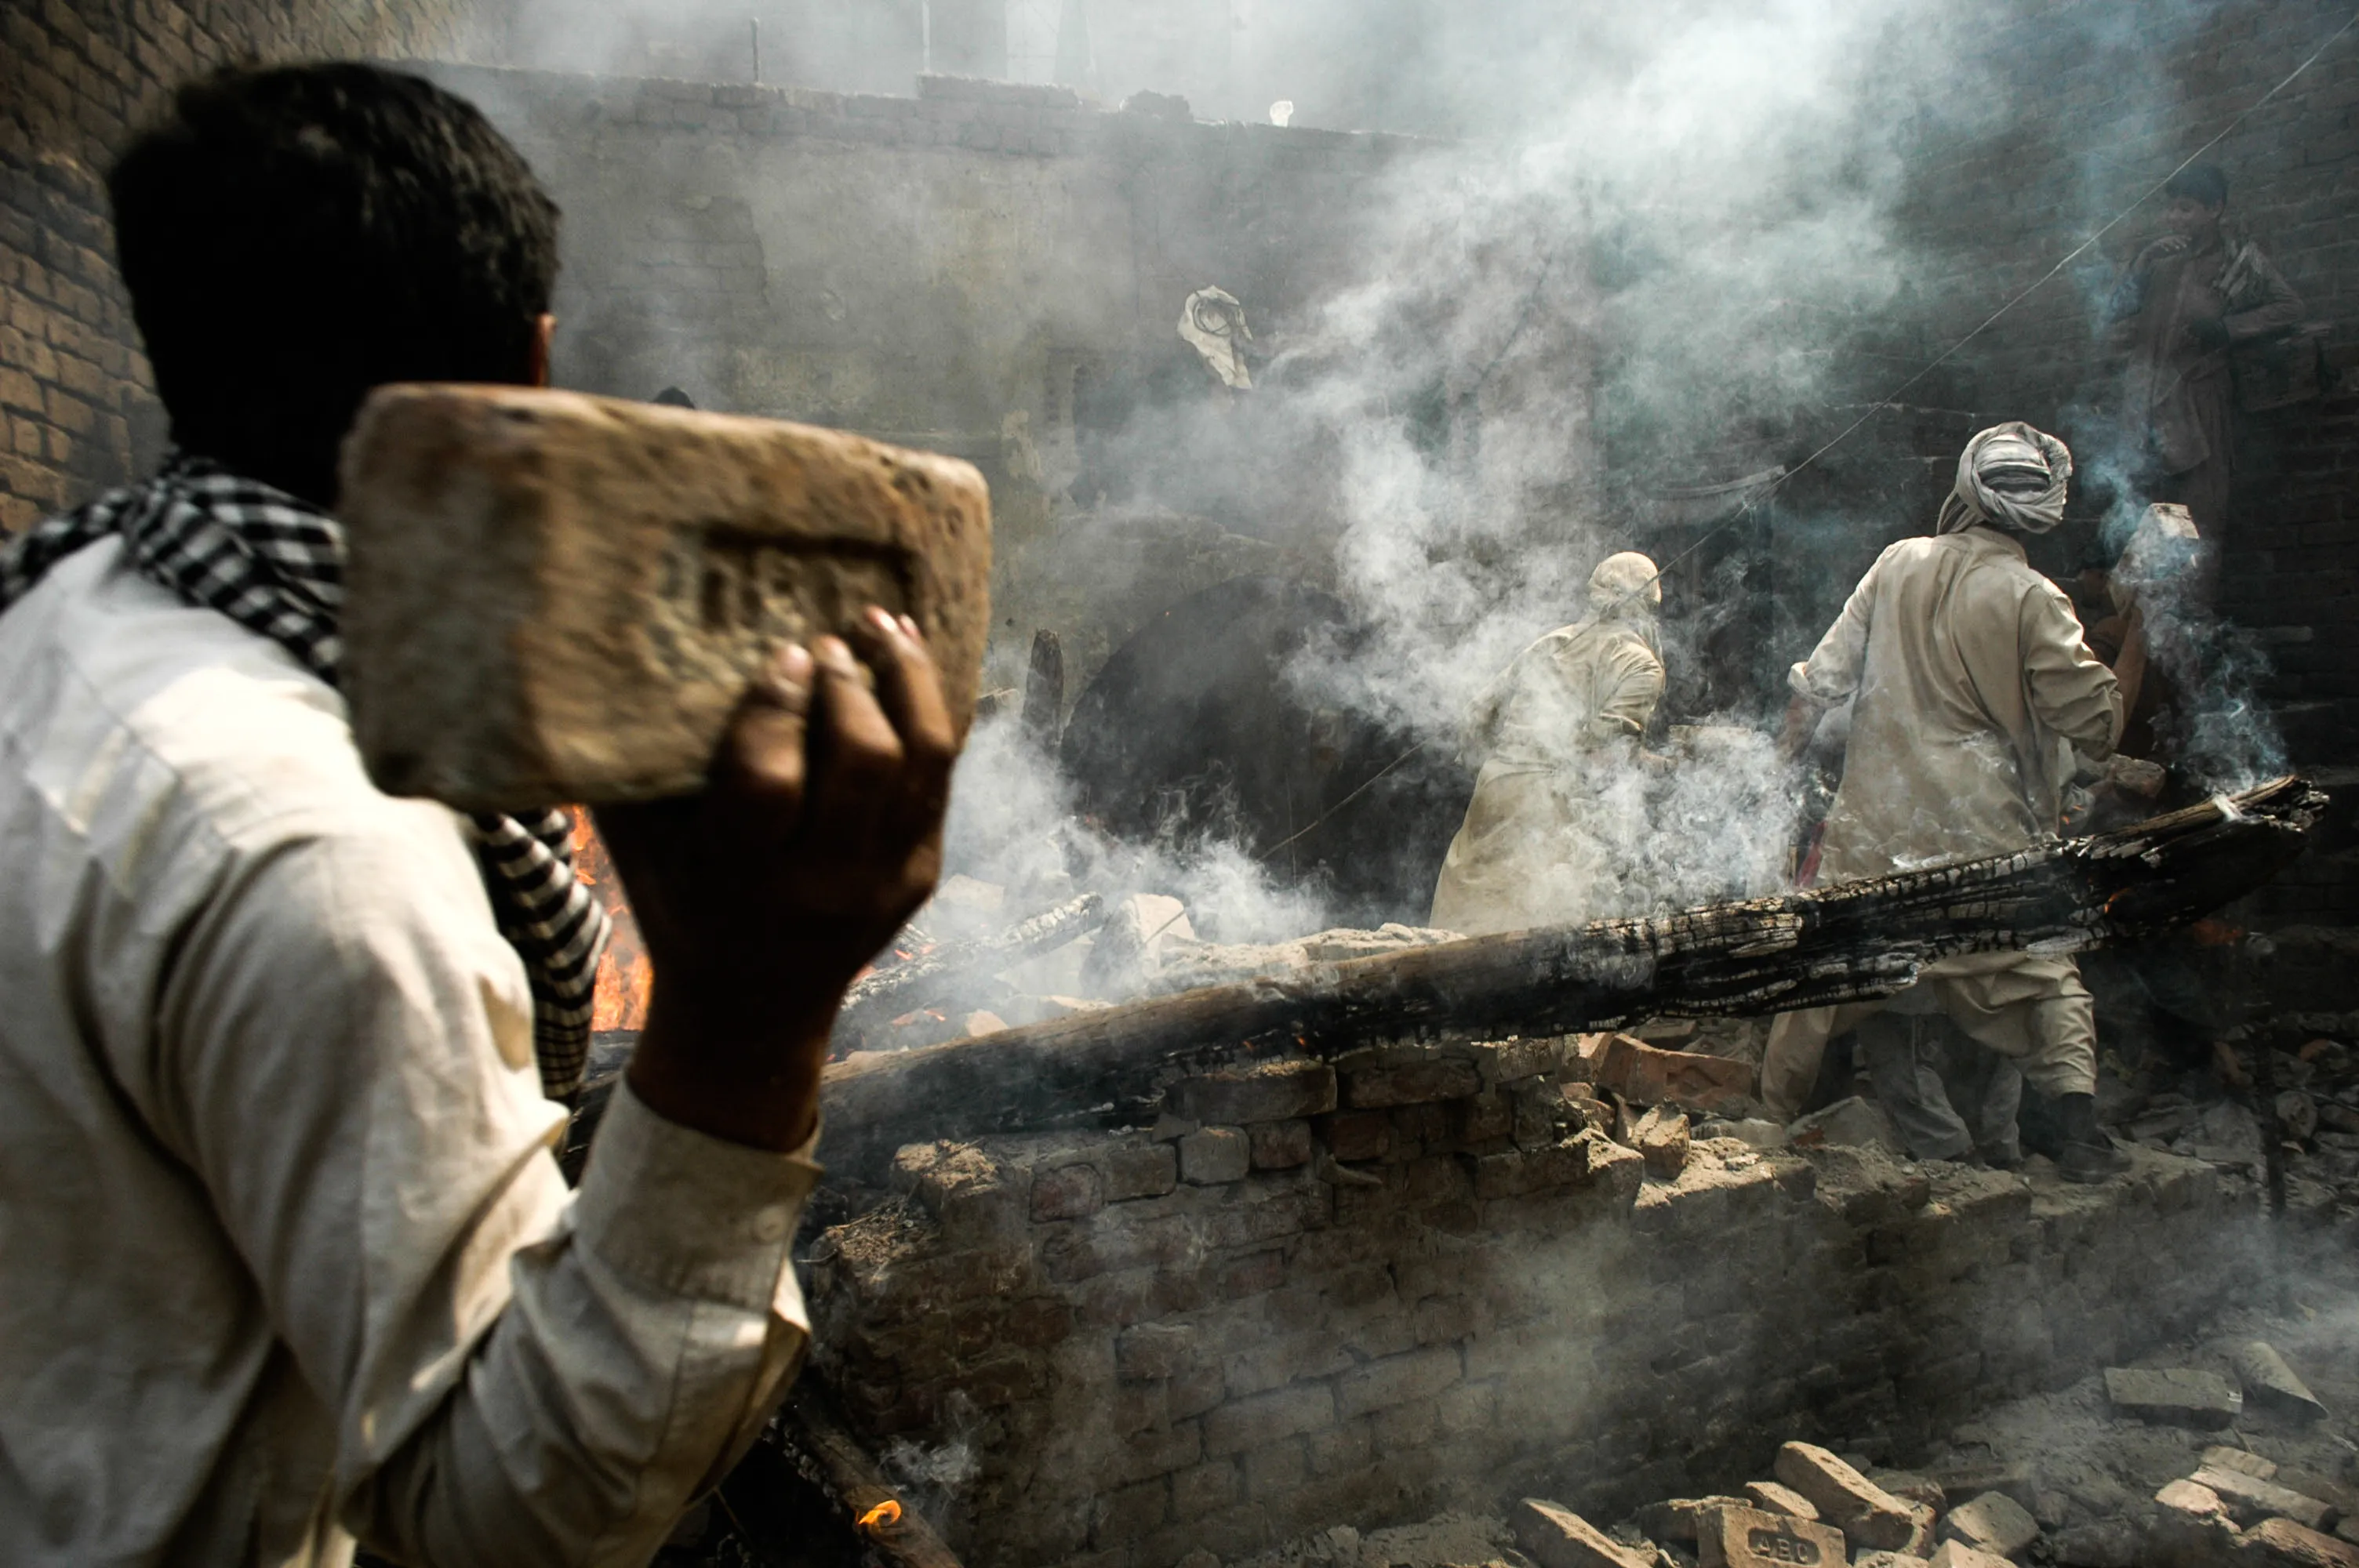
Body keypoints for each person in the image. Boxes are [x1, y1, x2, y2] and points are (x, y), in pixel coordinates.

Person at [0, 63, 958, 1566]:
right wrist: (749, 1017)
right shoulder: (329, 856)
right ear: (529, 370)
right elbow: (513, 1513)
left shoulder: (65, 624)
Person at [1759, 424, 2129, 1183]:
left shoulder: (1897, 562)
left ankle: (1764, 1122)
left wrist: (1768, 779)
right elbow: (2095, 724)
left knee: (1822, 976)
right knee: (2041, 971)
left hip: (1874, 826)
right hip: (1981, 833)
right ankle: (2080, 1136)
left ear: (1964, 488)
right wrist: (2143, 632)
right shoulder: (2032, 596)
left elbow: (1816, 685)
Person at [1429, 551, 1666, 935]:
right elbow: (1605, 758)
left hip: (1497, 786)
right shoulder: (1639, 663)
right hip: (1551, 804)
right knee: (1534, 939)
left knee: (1465, 923)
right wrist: (1669, 765)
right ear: (1648, 605)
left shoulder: (1551, 642)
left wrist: (1499, 764)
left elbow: (1475, 717)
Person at [2107, 163, 2303, 554]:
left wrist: (2228, 329)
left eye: (2186, 209)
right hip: (2144, 404)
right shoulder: (2158, 261)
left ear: (2215, 209)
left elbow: (2289, 308)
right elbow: (2113, 309)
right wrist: (2143, 262)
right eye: (2172, 210)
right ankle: (2144, 612)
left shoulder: (2236, 259)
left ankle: (2194, 613)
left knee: (2200, 514)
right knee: (2142, 512)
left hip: (2200, 401)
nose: (2174, 219)